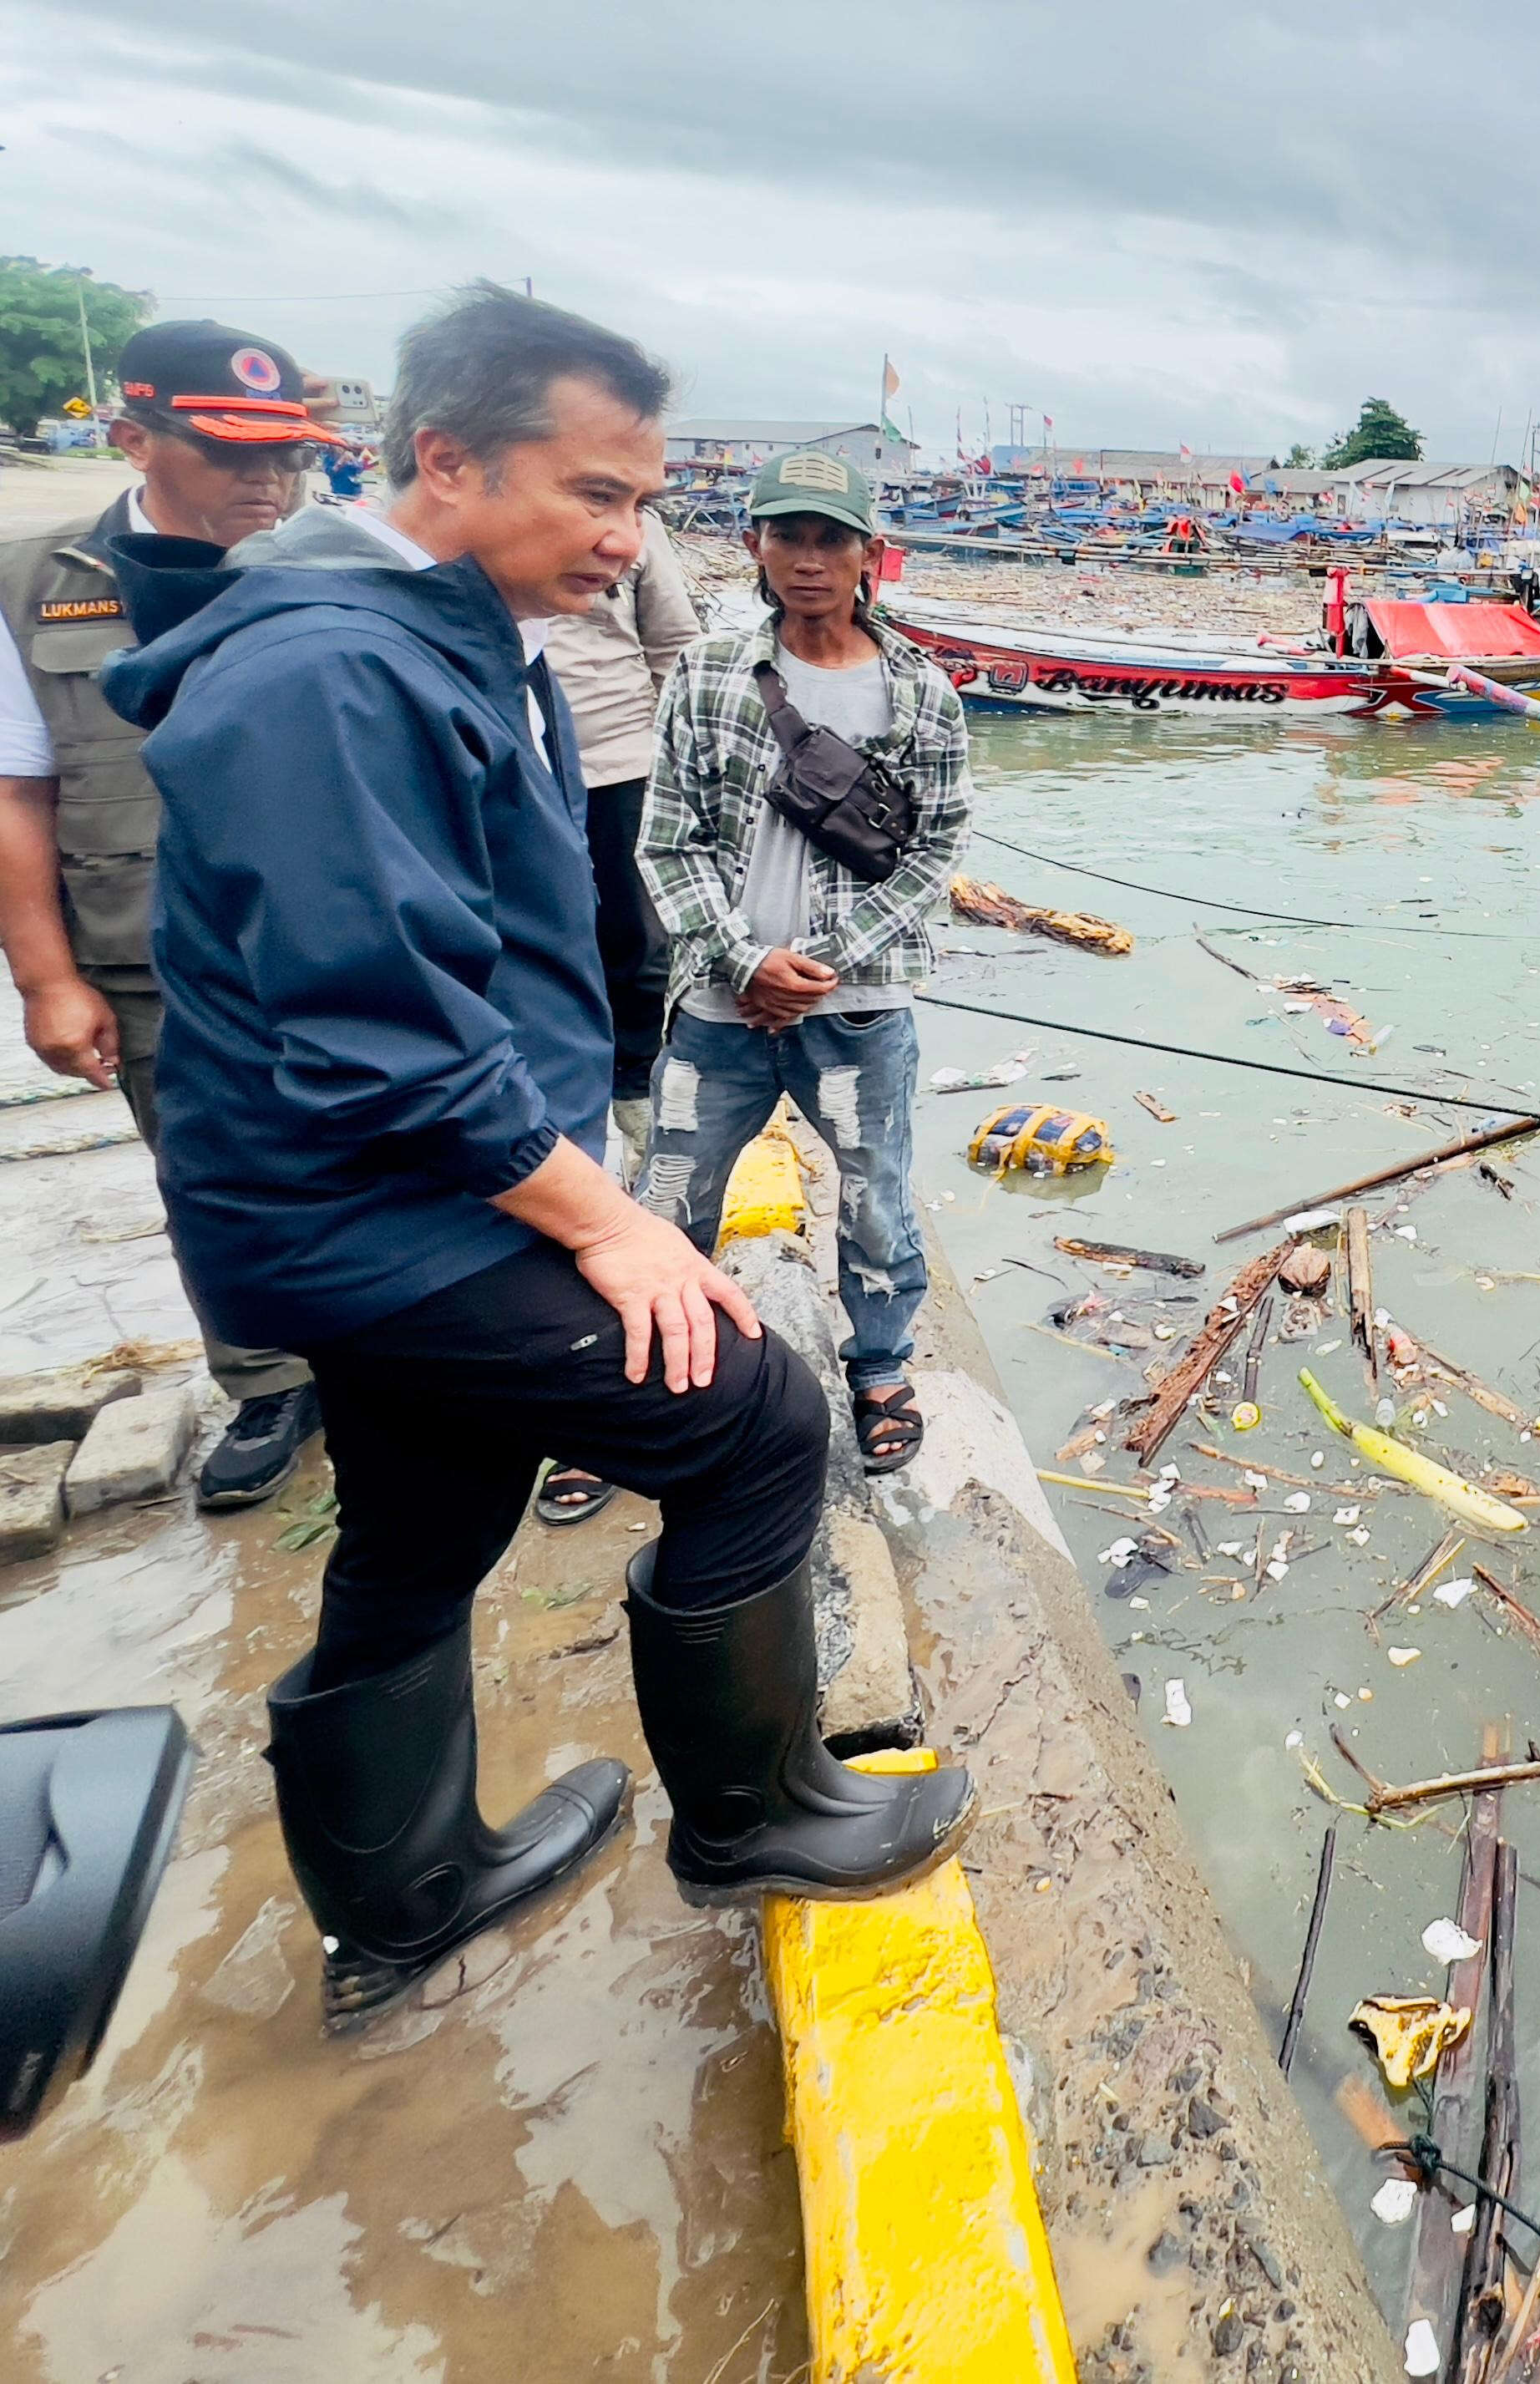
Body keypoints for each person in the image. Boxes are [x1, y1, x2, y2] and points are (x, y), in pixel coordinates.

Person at [99, 283, 970, 2032]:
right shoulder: (330, 665)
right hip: (375, 1203)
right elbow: (371, 1024)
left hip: (385, 1187)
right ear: (447, 459)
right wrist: (611, 1222)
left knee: (429, 1514)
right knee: (750, 1417)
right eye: (596, 495)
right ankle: (756, 1818)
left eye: (644, 501)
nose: (626, 539)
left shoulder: (422, 620)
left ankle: (407, 1887)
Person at [0, 320, 346, 1508]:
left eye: (286, 455)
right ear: (136, 438)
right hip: (141, 940)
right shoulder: (37, 584)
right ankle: (265, 1381)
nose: (266, 479)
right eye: (227, 450)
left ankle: (385, 1365)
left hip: (328, 938)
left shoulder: (341, 566)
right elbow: (17, 789)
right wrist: (47, 977)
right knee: (205, 1170)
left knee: (377, 1153)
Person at [634, 449, 966, 1479]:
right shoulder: (708, 673)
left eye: (832, 538)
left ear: (873, 554)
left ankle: (879, 1371)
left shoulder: (921, 691)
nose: (809, 559)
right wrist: (743, 959)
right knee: (669, 1198)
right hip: (716, 1009)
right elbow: (668, 841)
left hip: (858, 1015)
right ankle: (643, 1389)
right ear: (755, 547)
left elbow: (935, 853)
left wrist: (812, 963)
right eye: (788, 535)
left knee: (877, 1200)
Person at [534, 500, 702, 1528]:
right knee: (540, 1003)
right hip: (503, 773)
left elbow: (675, 649)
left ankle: (639, 1136)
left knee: (638, 967)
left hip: (615, 764)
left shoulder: (636, 540)